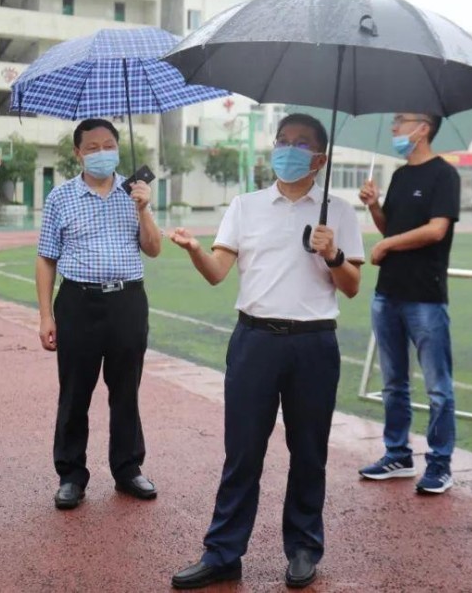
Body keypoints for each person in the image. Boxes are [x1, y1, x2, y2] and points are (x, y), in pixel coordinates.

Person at [169, 114, 364, 590]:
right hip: (254, 340)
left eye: (301, 144)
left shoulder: (338, 212)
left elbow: (354, 287)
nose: (288, 150)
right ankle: (223, 552)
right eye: (282, 141)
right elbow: (218, 271)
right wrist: (196, 249)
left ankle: (302, 548)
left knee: (309, 451)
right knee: (242, 451)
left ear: (320, 159)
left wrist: (333, 255)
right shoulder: (246, 205)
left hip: (314, 343)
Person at [35, 118, 162, 510]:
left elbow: (154, 249)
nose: (101, 153)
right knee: (75, 393)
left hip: (127, 302)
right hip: (78, 302)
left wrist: (144, 210)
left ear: (118, 149)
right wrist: (44, 316)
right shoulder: (60, 197)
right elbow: (46, 259)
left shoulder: (136, 193)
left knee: (126, 391)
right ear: (78, 153)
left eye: (108, 145)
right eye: (92, 147)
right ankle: (71, 475)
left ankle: (128, 468)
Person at [356, 113, 460, 494]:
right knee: (394, 383)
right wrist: (374, 206)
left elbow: (436, 230)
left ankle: (439, 463)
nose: (394, 128)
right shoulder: (400, 176)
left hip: (425, 297)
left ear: (424, 128)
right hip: (388, 294)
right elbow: (391, 227)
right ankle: (398, 454)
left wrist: (386, 246)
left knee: (437, 387)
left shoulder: (444, 175)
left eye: (402, 121)